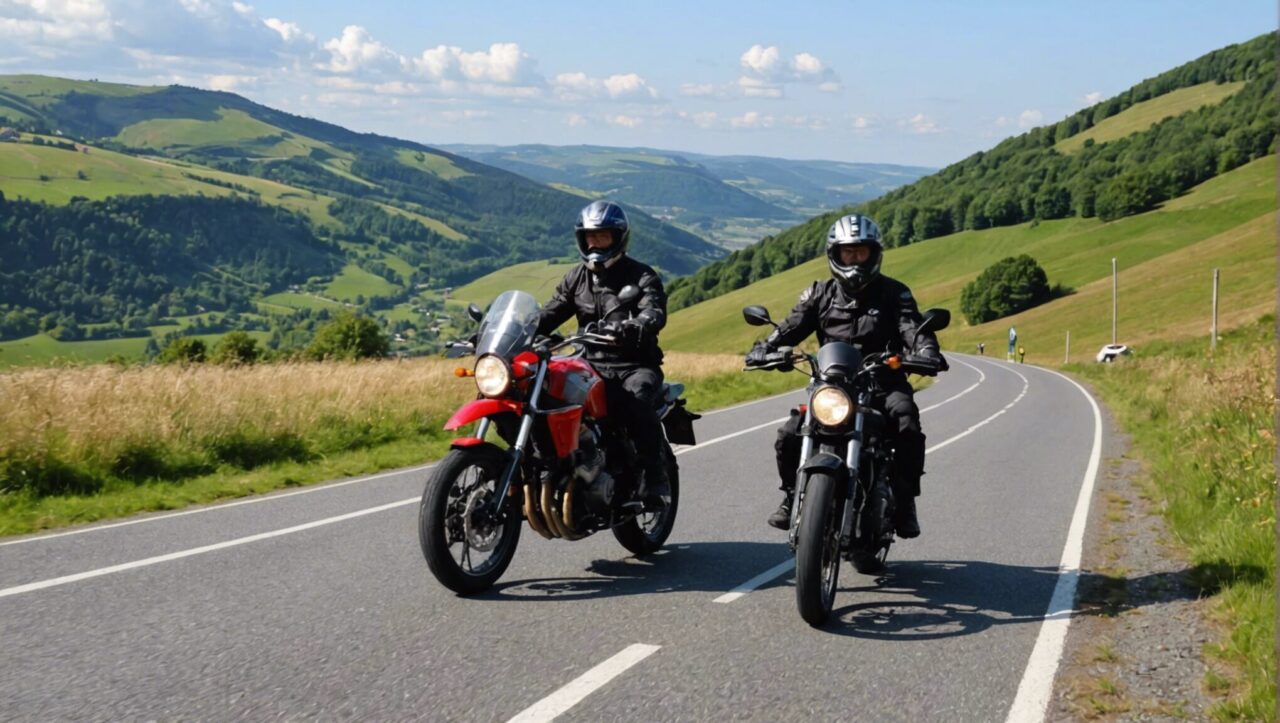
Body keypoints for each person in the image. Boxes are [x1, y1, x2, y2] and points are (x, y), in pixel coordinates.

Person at [745, 213, 945, 538]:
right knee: (789, 433)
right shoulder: (819, 294)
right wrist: (765, 348)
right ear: (834, 255)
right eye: (847, 253)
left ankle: (906, 500)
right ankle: (790, 495)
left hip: (882, 384)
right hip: (833, 387)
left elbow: (912, 327)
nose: (854, 259)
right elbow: (790, 327)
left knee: (907, 421)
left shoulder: (895, 294)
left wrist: (926, 352)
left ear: (874, 254)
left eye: (860, 252)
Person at [536, 200, 670, 506]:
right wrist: (520, 329)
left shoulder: (641, 276)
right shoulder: (576, 278)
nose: (594, 242)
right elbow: (550, 312)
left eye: (603, 236)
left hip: (633, 364)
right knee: (544, 391)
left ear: (618, 237)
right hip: (588, 363)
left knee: (637, 400)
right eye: (589, 236)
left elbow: (654, 311)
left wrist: (636, 325)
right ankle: (560, 462)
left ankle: (654, 474)